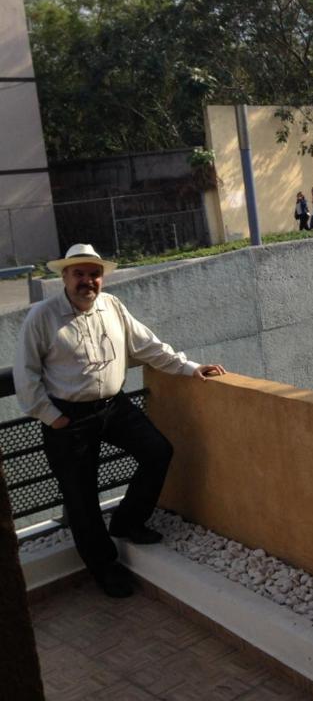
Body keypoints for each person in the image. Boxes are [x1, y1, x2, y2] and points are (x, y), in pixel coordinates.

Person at [14, 244, 225, 598]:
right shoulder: (42, 317)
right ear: (64, 277)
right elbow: (26, 373)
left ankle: (127, 521)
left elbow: (148, 346)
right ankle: (104, 567)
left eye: (93, 273)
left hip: (114, 406)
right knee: (81, 498)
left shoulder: (112, 306)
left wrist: (190, 368)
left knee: (158, 451)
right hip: (68, 417)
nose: (87, 281)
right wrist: (52, 417)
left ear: (102, 277)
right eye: (78, 273)